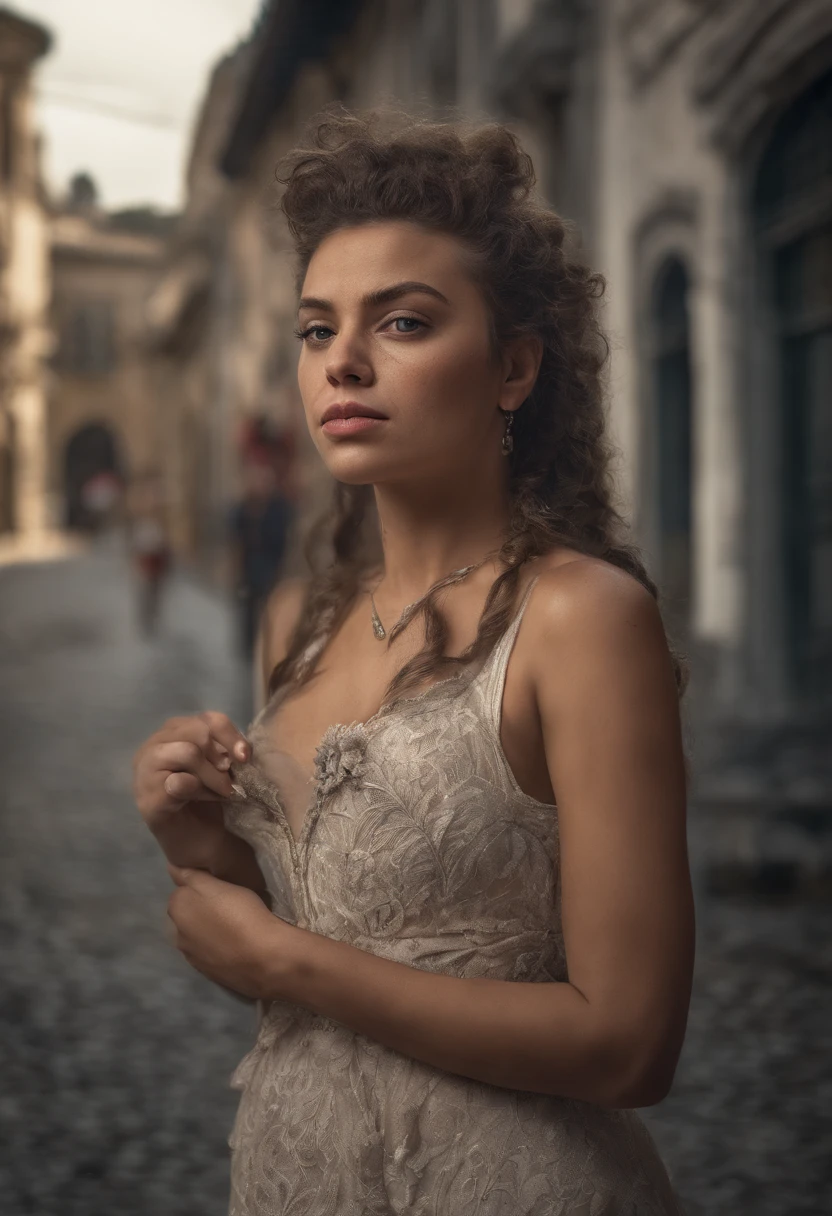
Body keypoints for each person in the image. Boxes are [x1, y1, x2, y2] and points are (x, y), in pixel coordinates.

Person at [132, 107, 695, 1215]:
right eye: (314, 329)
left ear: (513, 368)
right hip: (296, 1176)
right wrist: (200, 836)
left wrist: (282, 966)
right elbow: (329, 921)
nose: (341, 360)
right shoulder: (294, 618)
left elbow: (630, 1044)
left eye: (401, 322)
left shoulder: (580, 618)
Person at [228, 462, 294, 661]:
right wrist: (235, 569)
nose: (262, 484)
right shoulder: (243, 509)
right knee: (248, 605)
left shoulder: (278, 508)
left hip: (271, 564)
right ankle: (248, 647)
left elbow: (285, 538)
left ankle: (268, 644)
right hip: (250, 566)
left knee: (270, 607)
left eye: (266, 480)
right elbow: (236, 541)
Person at [128, 471, 171, 637]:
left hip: (157, 559)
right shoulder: (139, 516)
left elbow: (165, 541)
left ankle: (154, 618)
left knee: (156, 593)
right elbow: (135, 542)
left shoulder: (162, 516)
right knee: (145, 592)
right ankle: (146, 621)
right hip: (145, 558)